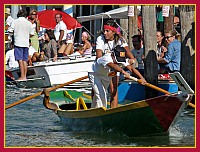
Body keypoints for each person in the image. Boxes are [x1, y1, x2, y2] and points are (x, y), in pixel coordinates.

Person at [88, 20, 146, 109]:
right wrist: (122, 71)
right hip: (101, 68)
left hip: (113, 67)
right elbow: (99, 56)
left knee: (113, 90)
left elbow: (130, 65)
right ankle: (96, 109)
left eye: (107, 31)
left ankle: (112, 110)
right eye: (105, 30)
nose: (105, 33)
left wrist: (142, 78)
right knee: (100, 94)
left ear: (114, 32)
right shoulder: (101, 39)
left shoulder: (120, 41)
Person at [8, 9, 33, 80]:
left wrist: (14, 35)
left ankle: (22, 76)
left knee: (20, 60)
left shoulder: (15, 22)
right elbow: (31, 33)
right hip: (26, 43)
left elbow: (10, 31)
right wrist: (26, 36)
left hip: (18, 42)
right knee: (25, 60)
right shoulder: (29, 23)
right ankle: (24, 76)